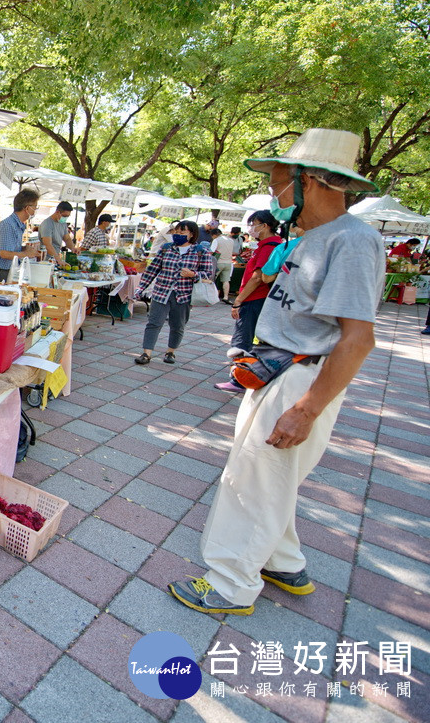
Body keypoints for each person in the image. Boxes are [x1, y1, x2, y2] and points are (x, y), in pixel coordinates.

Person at [169, 128, 384, 617]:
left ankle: (229, 585)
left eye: (280, 182)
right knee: (270, 478)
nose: (273, 194)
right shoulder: (315, 237)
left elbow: (358, 339)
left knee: (252, 482)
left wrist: (306, 409)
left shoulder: (352, 242)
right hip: (278, 370)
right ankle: (284, 562)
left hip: (300, 379)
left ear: (314, 181)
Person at [215, 211, 284, 392]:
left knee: (242, 339)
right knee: (247, 338)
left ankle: (239, 379)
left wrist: (238, 300)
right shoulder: (269, 245)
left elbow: (258, 277)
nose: (251, 227)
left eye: (254, 223)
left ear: (266, 225)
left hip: (255, 298)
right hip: (257, 298)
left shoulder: (270, 246)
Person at [132, 220, 216, 365]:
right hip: (161, 292)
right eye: (176, 232)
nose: (178, 235)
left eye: (182, 233)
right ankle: (146, 354)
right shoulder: (166, 248)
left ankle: (170, 352)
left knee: (178, 325)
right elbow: (152, 270)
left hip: (183, 295)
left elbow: (208, 274)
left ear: (191, 234)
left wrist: (193, 274)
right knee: (154, 323)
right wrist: (141, 288)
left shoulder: (200, 251)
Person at [0, 189, 43, 281]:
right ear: (27, 208)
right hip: (1, 272)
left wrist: (24, 248)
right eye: (35, 208)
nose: (35, 211)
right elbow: (4, 253)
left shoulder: (17, 225)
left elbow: (10, 248)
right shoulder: (8, 225)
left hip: (8, 269)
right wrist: (26, 254)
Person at [38, 201, 77, 266]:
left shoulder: (63, 223)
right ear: (57, 212)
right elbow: (48, 245)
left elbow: (67, 239)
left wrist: (73, 248)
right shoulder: (47, 224)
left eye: (68, 216)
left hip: (56, 259)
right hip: (47, 260)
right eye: (64, 216)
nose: (66, 218)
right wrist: (59, 260)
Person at [211, 227, 238, 302]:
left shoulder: (216, 240)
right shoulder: (230, 240)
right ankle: (226, 297)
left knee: (212, 279)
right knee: (226, 280)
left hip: (218, 262)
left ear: (214, 235)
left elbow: (211, 251)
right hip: (229, 262)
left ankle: (212, 296)